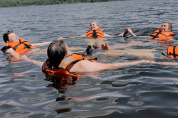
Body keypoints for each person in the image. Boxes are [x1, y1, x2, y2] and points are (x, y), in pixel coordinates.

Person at [22, 40, 152, 76]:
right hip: (91, 68)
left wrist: (23, 58)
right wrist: (141, 61)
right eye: (69, 48)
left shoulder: (48, 65)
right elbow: (112, 66)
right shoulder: (81, 66)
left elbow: (33, 61)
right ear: (67, 54)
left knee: (90, 53)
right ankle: (100, 51)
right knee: (104, 56)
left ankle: (91, 51)